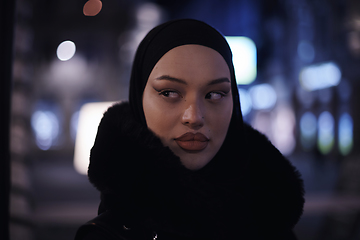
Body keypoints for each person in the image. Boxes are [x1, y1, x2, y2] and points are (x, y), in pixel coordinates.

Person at [74, 19, 304, 240]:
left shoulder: (271, 219)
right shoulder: (110, 235)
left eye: (215, 94)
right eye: (169, 93)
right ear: (139, 98)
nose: (194, 117)